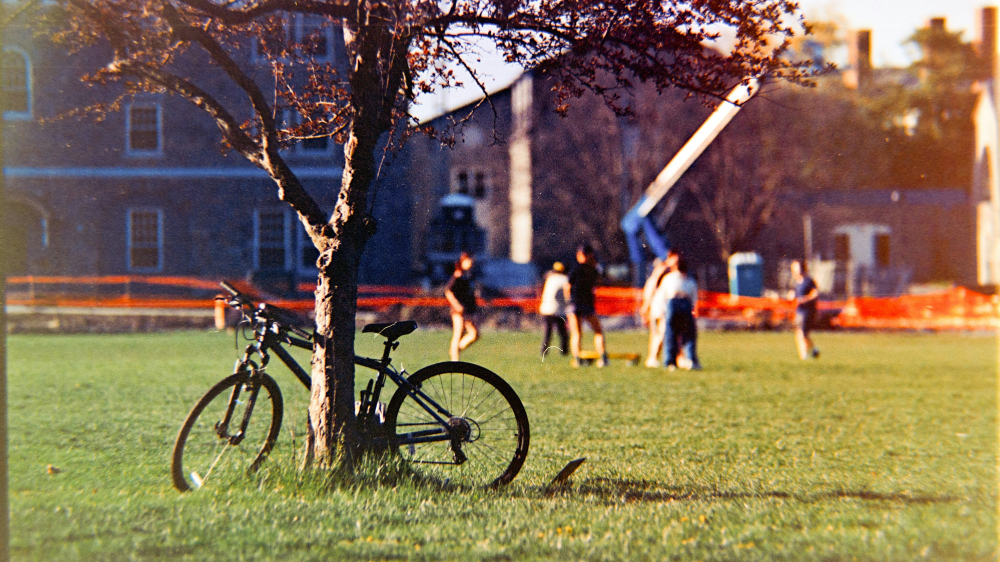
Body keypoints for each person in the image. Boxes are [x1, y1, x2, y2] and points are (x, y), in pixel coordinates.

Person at [566, 244, 607, 367]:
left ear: (580, 255)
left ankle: (577, 359)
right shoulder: (593, 270)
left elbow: (567, 286)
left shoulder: (575, 268)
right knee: (598, 331)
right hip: (588, 304)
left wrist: (569, 301)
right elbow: (599, 282)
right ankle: (603, 358)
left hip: (574, 304)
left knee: (577, 333)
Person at [660, 252, 701, 371]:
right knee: (671, 334)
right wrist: (664, 310)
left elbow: (693, 297)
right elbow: (663, 295)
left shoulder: (688, 280)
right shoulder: (669, 278)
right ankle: (670, 362)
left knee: (687, 334)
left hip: (684, 304)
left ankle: (690, 360)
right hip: (673, 303)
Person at [444, 252, 479, 361]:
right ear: (463, 261)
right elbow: (448, 292)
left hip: (468, 310)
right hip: (459, 311)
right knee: (458, 333)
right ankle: (455, 360)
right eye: (469, 260)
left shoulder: (469, 276)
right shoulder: (458, 275)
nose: (471, 263)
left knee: (475, 334)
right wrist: (457, 305)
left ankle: (455, 350)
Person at [640, 256, 672, 368]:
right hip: (656, 312)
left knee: (660, 336)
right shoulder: (653, 280)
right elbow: (647, 297)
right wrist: (645, 313)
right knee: (658, 335)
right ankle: (652, 358)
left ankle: (653, 358)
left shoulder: (665, 279)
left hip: (664, 311)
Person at [789, 259, 820, 360]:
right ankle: (814, 350)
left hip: (808, 311)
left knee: (802, 334)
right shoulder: (797, 283)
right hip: (799, 311)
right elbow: (796, 297)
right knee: (801, 334)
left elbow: (815, 294)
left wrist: (804, 299)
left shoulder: (808, 281)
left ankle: (804, 357)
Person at [538, 261, 570, 357]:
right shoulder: (565, 279)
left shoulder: (550, 278)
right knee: (563, 333)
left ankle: (543, 352)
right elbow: (566, 295)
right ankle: (564, 352)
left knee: (548, 333)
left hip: (545, 309)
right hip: (557, 310)